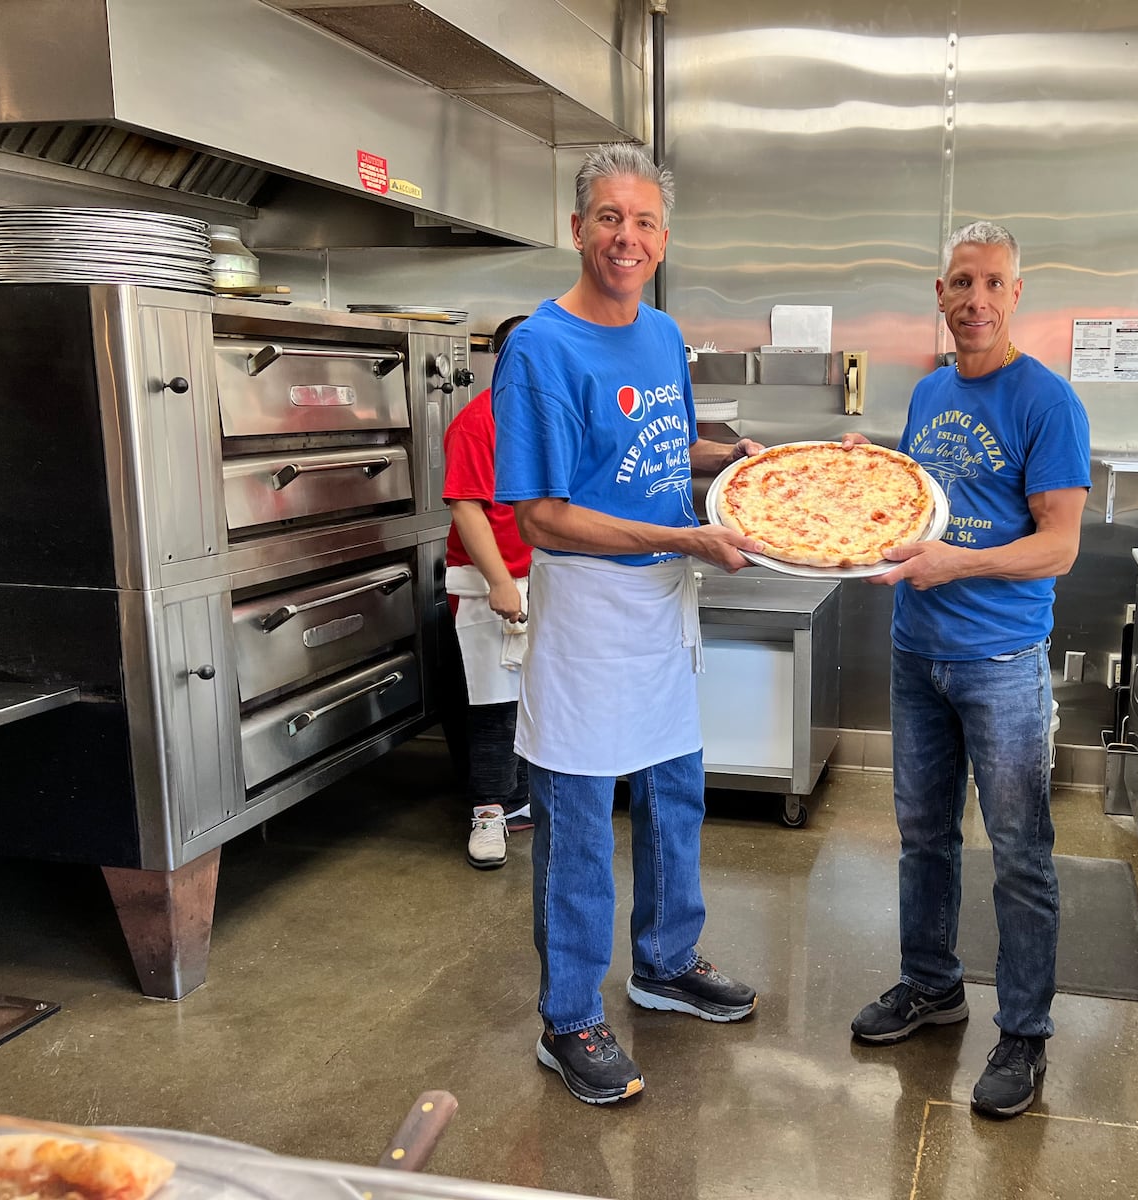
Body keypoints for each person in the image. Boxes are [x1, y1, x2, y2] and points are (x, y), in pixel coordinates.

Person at [492, 143, 765, 1106]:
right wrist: (688, 538)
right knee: (577, 829)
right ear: (578, 229)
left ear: (662, 237)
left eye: (645, 222)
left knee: (673, 798)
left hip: (660, 606)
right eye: (610, 218)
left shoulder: (659, 333)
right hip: (588, 610)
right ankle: (568, 1017)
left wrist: (739, 461)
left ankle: (664, 962)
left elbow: (662, 442)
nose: (628, 237)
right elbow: (544, 514)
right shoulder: (541, 348)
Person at [848, 220, 1091, 1120]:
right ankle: (931, 984)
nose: (975, 300)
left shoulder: (1049, 402)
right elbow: (920, 503)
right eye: (960, 283)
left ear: (1017, 294)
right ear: (940, 295)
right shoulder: (927, 391)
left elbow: (1059, 547)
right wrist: (868, 475)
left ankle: (1024, 1031)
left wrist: (955, 563)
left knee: (1022, 853)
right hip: (918, 652)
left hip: (1001, 662)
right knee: (923, 837)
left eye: (992, 283)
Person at [442, 314, 536, 870]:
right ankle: (487, 814)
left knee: (531, 700)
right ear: (503, 360)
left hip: (544, 576)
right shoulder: (480, 421)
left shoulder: (545, 417)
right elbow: (465, 506)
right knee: (494, 704)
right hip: (488, 585)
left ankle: (520, 802)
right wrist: (500, 580)